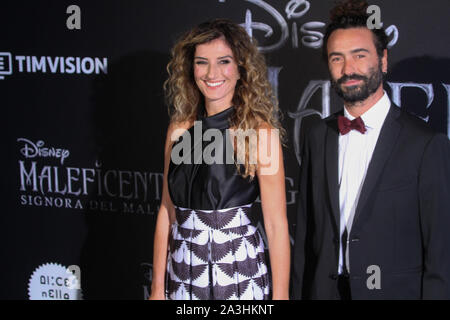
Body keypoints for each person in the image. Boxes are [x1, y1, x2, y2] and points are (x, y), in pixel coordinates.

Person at [292, 0, 450, 300]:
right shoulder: (317, 136)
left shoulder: (427, 145)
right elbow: (305, 238)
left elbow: (442, 258)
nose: (348, 68)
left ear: (383, 60)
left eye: (359, 55)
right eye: (337, 58)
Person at [149, 19, 290, 300]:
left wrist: (282, 296)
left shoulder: (261, 133)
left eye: (224, 61)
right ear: (191, 69)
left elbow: (276, 224)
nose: (212, 73)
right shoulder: (179, 130)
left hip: (240, 273)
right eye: (202, 62)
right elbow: (167, 211)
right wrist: (156, 289)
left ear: (240, 68)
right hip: (183, 274)